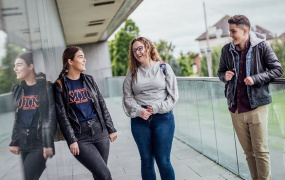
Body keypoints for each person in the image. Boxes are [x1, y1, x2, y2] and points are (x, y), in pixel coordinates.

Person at [217, 15, 283, 180]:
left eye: (233, 31)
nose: (230, 35)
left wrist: (256, 78)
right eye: (230, 31)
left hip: (257, 107)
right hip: (236, 108)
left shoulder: (262, 46)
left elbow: (277, 69)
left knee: (260, 151)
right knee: (248, 152)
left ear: (245, 30)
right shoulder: (226, 50)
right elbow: (220, 72)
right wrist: (225, 75)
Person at [54, 46, 117, 180]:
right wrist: (71, 140)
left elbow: (101, 104)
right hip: (80, 136)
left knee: (99, 174)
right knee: (105, 175)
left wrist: (110, 128)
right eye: (80, 57)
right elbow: (62, 116)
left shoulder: (89, 80)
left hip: (100, 131)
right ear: (70, 61)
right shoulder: (60, 85)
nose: (85, 60)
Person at [122, 37, 179, 180]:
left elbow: (173, 97)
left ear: (148, 48)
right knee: (147, 161)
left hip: (163, 119)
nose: (137, 52)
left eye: (140, 48)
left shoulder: (164, 68)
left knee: (163, 161)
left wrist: (156, 108)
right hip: (140, 120)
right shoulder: (132, 73)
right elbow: (127, 97)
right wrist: (138, 111)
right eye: (134, 50)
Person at [9, 52, 56, 180]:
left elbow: (50, 117)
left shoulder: (47, 87)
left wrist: (47, 142)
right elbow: (18, 118)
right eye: (15, 66)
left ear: (30, 66)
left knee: (27, 176)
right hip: (24, 142)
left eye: (19, 65)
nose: (15, 69)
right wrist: (15, 141)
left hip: (39, 141)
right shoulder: (17, 89)